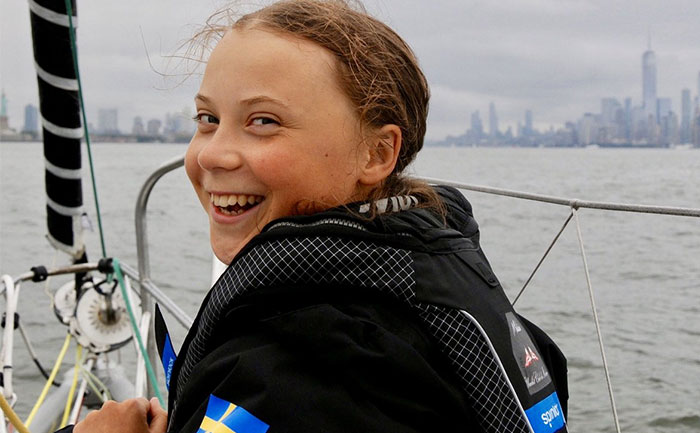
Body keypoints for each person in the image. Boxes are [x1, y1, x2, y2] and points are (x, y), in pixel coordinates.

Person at [67, 1, 568, 432]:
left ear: (376, 154)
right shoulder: (427, 273)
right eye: (208, 119)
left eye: (264, 121)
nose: (213, 154)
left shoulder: (308, 370)